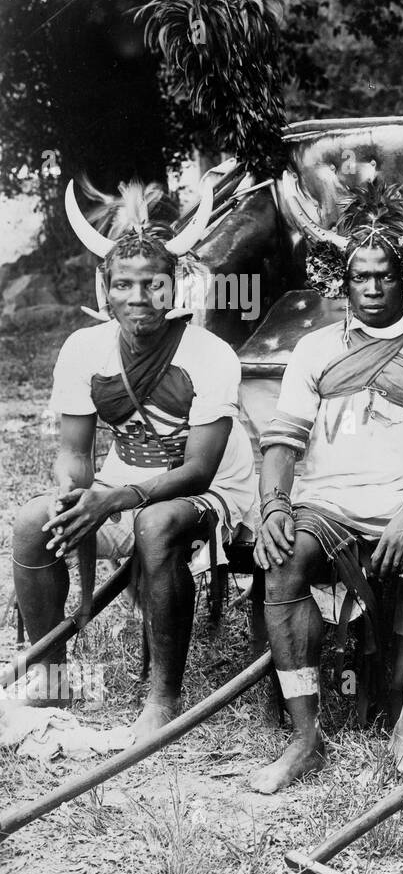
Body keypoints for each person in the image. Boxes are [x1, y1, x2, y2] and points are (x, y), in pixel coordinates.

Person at [249, 173, 403, 792]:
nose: (375, 287)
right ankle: (306, 738)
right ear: (344, 281)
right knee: (283, 558)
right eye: (362, 276)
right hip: (326, 503)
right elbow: (282, 444)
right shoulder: (313, 351)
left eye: (386, 274)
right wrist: (275, 504)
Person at [9, 179, 256, 739]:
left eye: (154, 284)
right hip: (122, 482)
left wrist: (114, 499)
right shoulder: (83, 349)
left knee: (156, 520)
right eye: (124, 285)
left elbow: (200, 469)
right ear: (105, 289)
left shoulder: (210, 355)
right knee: (32, 523)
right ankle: (52, 675)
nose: (139, 298)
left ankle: (162, 696)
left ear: (177, 288)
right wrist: (75, 495)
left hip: (211, 490)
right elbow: (74, 451)